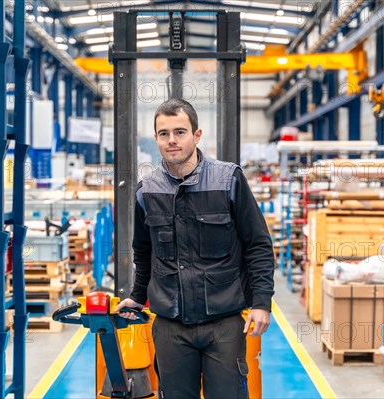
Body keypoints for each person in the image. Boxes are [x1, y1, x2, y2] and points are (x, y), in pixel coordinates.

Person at [114, 98, 275, 399]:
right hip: (171, 326)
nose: (172, 140)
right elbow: (143, 250)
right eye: (163, 133)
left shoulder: (228, 180)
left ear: (197, 135)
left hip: (224, 323)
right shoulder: (146, 191)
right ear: (156, 138)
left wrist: (262, 302)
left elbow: (258, 244)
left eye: (180, 132)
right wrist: (137, 296)